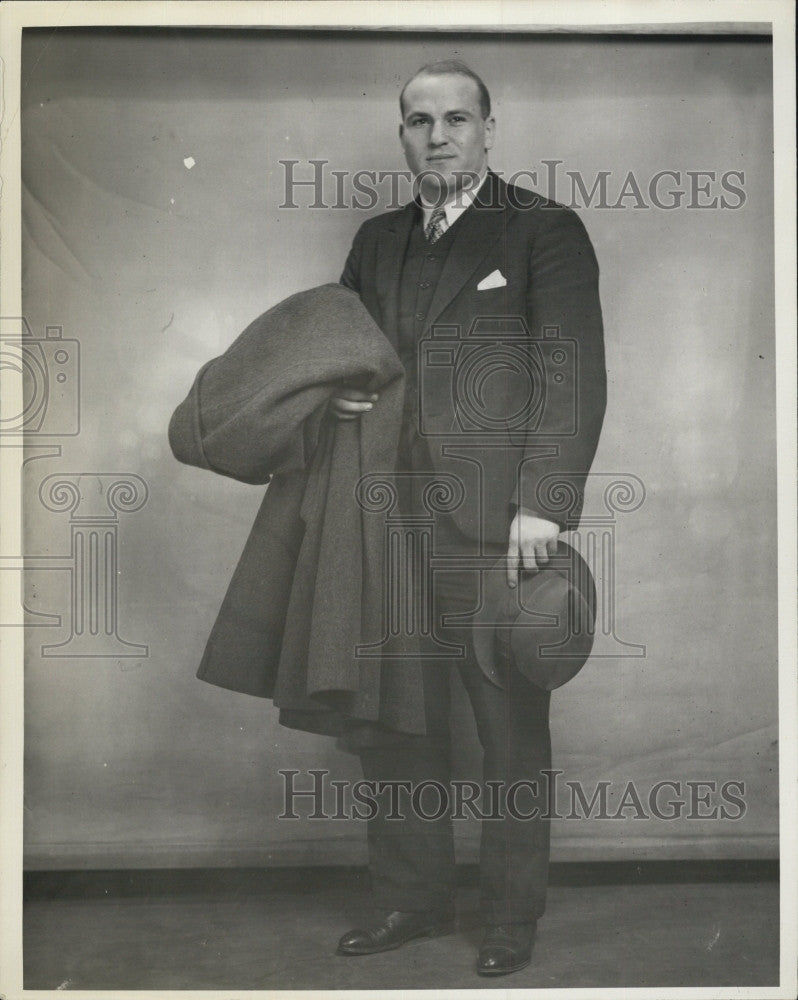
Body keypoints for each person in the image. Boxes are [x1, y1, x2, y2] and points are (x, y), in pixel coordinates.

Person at [331, 60, 606, 976]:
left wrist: (544, 505)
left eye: (457, 118)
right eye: (419, 120)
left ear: (491, 128)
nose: (438, 135)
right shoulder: (374, 242)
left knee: (508, 731)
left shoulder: (543, 232)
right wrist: (336, 400)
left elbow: (572, 376)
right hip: (386, 522)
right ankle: (411, 902)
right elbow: (347, 356)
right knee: (399, 723)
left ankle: (507, 917)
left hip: (498, 529)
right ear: (401, 133)